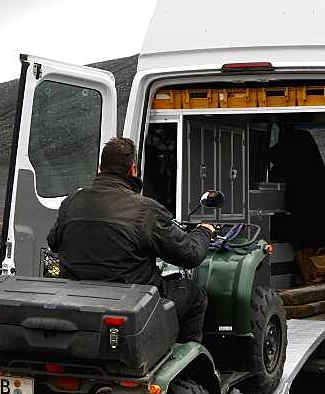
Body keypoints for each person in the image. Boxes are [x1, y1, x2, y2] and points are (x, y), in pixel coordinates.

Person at [46, 137, 214, 343]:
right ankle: (189, 365)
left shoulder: (71, 202)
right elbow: (190, 255)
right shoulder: (146, 210)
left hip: (77, 297)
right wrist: (204, 232)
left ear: (101, 167)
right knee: (194, 294)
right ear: (133, 169)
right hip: (133, 301)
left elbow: (53, 242)